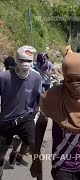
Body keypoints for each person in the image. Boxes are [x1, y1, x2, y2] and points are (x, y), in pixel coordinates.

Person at [30, 53, 80, 180]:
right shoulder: (53, 96)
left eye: (79, 79)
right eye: (69, 80)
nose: (74, 84)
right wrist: (36, 157)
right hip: (62, 164)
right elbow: (41, 124)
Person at [0, 46, 42, 178]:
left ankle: (38, 172)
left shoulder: (36, 78)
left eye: (29, 61)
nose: (25, 64)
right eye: (22, 60)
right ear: (17, 59)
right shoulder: (4, 77)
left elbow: (38, 99)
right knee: (0, 154)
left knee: (36, 147)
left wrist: (34, 115)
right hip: (6, 119)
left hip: (25, 118)